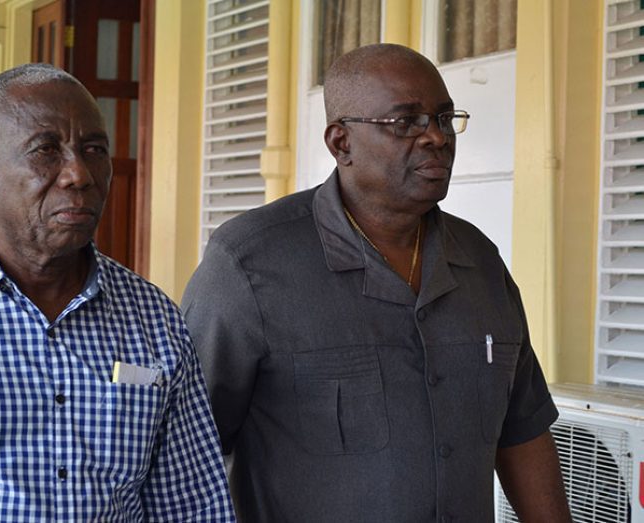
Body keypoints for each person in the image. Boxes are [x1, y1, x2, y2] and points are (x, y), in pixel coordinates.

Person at [182, 44, 571, 522]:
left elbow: (523, 429)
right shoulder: (248, 264)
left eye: (445, 119)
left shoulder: (481, 263)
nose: (436, 138)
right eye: (406, 122)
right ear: (340, 142)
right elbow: (186, 453)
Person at [0, 63, 234, 521]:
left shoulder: (155, 320)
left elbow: (190, 506)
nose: (79, 174)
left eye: (94, 150)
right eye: (47, 150)